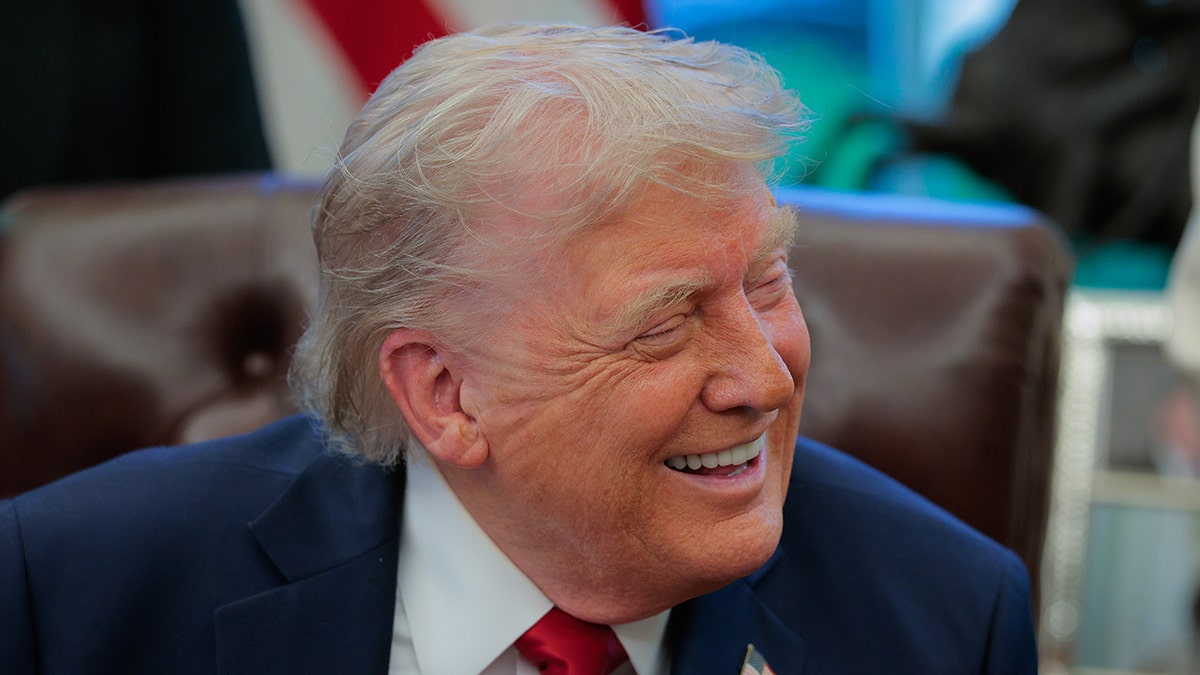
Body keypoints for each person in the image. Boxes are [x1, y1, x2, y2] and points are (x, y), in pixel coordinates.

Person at [0, 23, 1037, 674]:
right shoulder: (75, 594)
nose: (765, 378)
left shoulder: (945, 617)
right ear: (444, 392)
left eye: (767, 282)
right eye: (664, 323)